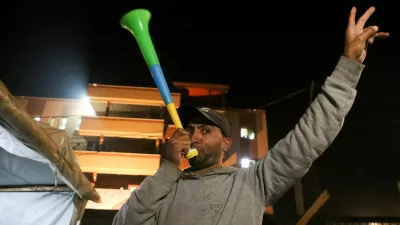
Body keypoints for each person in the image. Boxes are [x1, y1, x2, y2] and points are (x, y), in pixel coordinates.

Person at [112, 6, 389, 225]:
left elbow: (309, 137)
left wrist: (348, 66)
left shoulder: (252, 182)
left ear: (226, 144)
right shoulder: (165, 189)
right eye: (191, 129)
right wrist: (168, 170)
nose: (194, 136)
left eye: (207, 131)